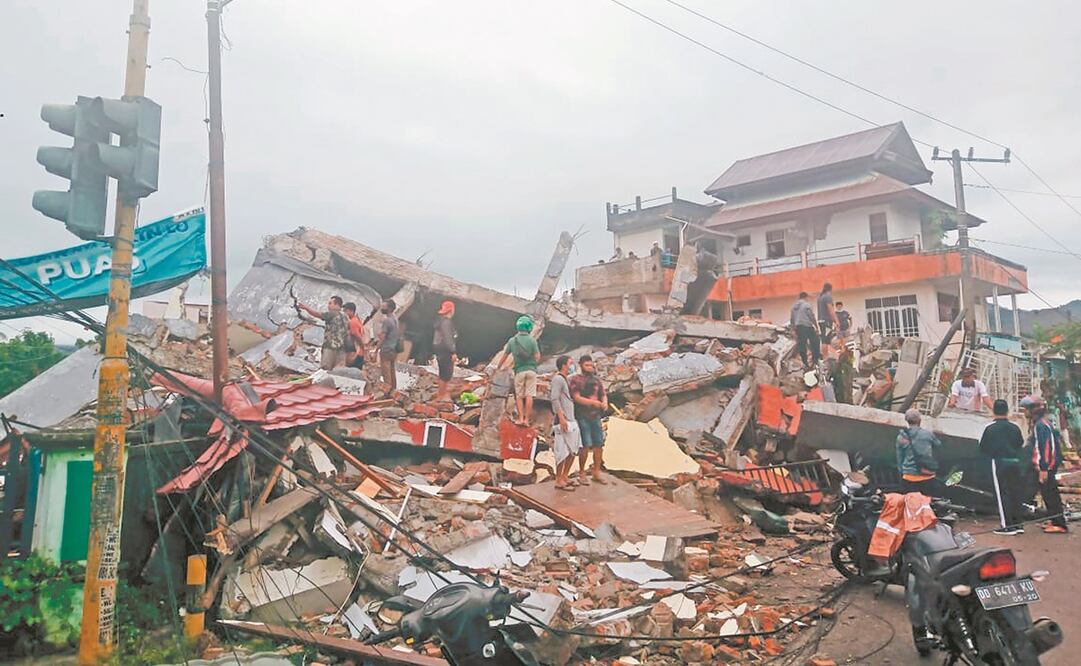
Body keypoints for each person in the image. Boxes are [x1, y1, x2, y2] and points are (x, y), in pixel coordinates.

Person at [979, 399, 1026, 535]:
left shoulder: (990, 428)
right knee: (1015, 493)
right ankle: (1018, 524)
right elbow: (1020, 444)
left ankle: (1007, 526)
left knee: (1002, 494)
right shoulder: (1015, 427)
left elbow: (983, 448)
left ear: (994, 411)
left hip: (999, 462)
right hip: (1015, 462)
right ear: (1007, 411)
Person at [1021, 395, 1067, 533]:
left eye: (1026, 409)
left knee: (1050, 494)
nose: (1024, 412)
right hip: (1044, 466)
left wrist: (1044, 468)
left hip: (1045, 467)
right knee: (1047, 494)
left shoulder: (1041, 426)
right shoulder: (1041, 424)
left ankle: (1059, 524)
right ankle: (1054, 520)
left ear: (1033, 410)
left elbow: (1045, 448)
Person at [570, 354, 609, 485]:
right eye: (587, 365)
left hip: (596, 416)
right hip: (582, 416)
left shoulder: (596, 380)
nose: (590, 367)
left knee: (599, 444)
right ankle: (582, 472)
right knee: (585, 445)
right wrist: (593, 403)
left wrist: (604, 403)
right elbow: (576, 398)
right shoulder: (576, 380)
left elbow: (603, 394)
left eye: (591, 365)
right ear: (581, 365)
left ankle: (596, 472)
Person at [549, 355, 581, 491]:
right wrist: (561, 417)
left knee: (573, 449)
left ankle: (565, 476)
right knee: (562, 450)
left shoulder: (565, 380)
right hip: (563, 419)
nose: (572, 365)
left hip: (571, 418)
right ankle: (558, 479)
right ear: (563, 365)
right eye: (570, 363)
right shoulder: (557, 379)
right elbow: (554, 399)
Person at [896, 409, 944, 497]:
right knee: (929, 501)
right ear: (919, 420)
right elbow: (939, 446)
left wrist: (902, 474)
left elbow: (900, 459)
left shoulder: (901, 437)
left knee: (910, 502)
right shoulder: (927, 434)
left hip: (908, 477)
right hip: (927, 475)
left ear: (906, 420)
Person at [504, 315, 541, 426]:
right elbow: (537, 356)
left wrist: (499, 367)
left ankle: (520, 418)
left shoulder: (512, 340)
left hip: (519, 371)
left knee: (519, 396)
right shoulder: (532, 340)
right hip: (531, 371)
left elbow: (505, 355)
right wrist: (533, 364)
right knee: (529, 395)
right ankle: (526, 420)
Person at [298, 295, 350, 370]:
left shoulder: (332, 314)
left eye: (330, 303)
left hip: (330, 347)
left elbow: (317, 314)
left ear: (336, 304)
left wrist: (306, 308)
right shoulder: (345, 316)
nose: (328, 306)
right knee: (338, 371)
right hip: (342, 349)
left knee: (325, 368)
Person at [432, 300, 458, 402]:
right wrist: (453, 352)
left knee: (442, 373)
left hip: (440, 351)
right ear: (451, 310)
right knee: (446, 375)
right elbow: (448, 339)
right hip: (445, 351)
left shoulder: (440, 322)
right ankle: (442, 396)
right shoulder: (446, 323)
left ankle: (441, 395)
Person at [374, 299, 400, 394]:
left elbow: (382, 338)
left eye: (384, 306)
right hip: (394, 349)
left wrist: (376, 349)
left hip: (386, 350)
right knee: (392, 371)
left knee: (386, 373)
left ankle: (387, 393)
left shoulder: (387, 321)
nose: (382, 308)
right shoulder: (395, 319)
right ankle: (394, 391)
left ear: (389, 308)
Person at [790, 291, 820, 367]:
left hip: (799, 327)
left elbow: (792, 319)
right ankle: (815, 360)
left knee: (802, 345)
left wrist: (793, 329)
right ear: (806, 297)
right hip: (807, 326)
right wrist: (816, 326)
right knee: (815, 341)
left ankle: (805, 362)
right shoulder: (806, 305)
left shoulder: (794, 307)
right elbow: (811, 316)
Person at [817, 282, 840, 358]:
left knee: (824, 339)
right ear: (830, 289)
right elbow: (831, 310)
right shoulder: (827, 296)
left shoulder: (820, 297)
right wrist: (836, 321)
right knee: (826, 341)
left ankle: (826, 356)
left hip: (821, 321)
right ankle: (826, 357)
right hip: (826, 321)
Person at [343, 302, 366, 370]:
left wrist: (362, 347)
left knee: (352, 372)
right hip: (358, 351)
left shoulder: (353, 322)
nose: (345, 313)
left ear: (351, 311)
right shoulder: (357, 320)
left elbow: (356, 335)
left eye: (346, 311)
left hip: (355, 353)